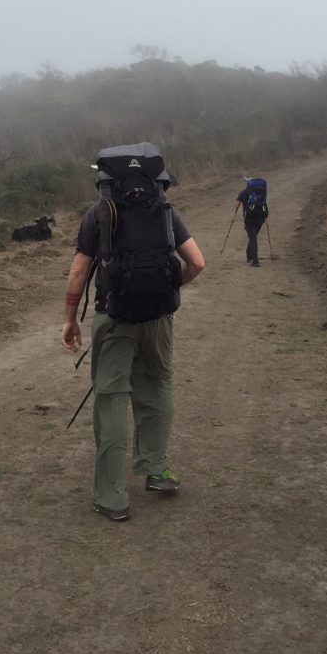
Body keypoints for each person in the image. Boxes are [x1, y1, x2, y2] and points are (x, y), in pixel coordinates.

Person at [62, 145, 205, 522]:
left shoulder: (97, 215)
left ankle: (112, 497)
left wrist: (70, 318)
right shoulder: (165, 215)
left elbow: (79, 272)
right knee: (157, 388)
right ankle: (156, 470)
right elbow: (197, 262)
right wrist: (168, 291)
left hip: (114, 318)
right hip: (158, 318)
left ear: (105, 184)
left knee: (111, 400)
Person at [236, 176, 268, 267]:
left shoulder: (243, 193)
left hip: (249, 218)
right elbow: (264, 203)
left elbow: (236, 205)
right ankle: (249, 255)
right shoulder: (262, 192)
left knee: (252, 237)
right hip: (260, 218)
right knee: (253, 237)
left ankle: (255, 260)